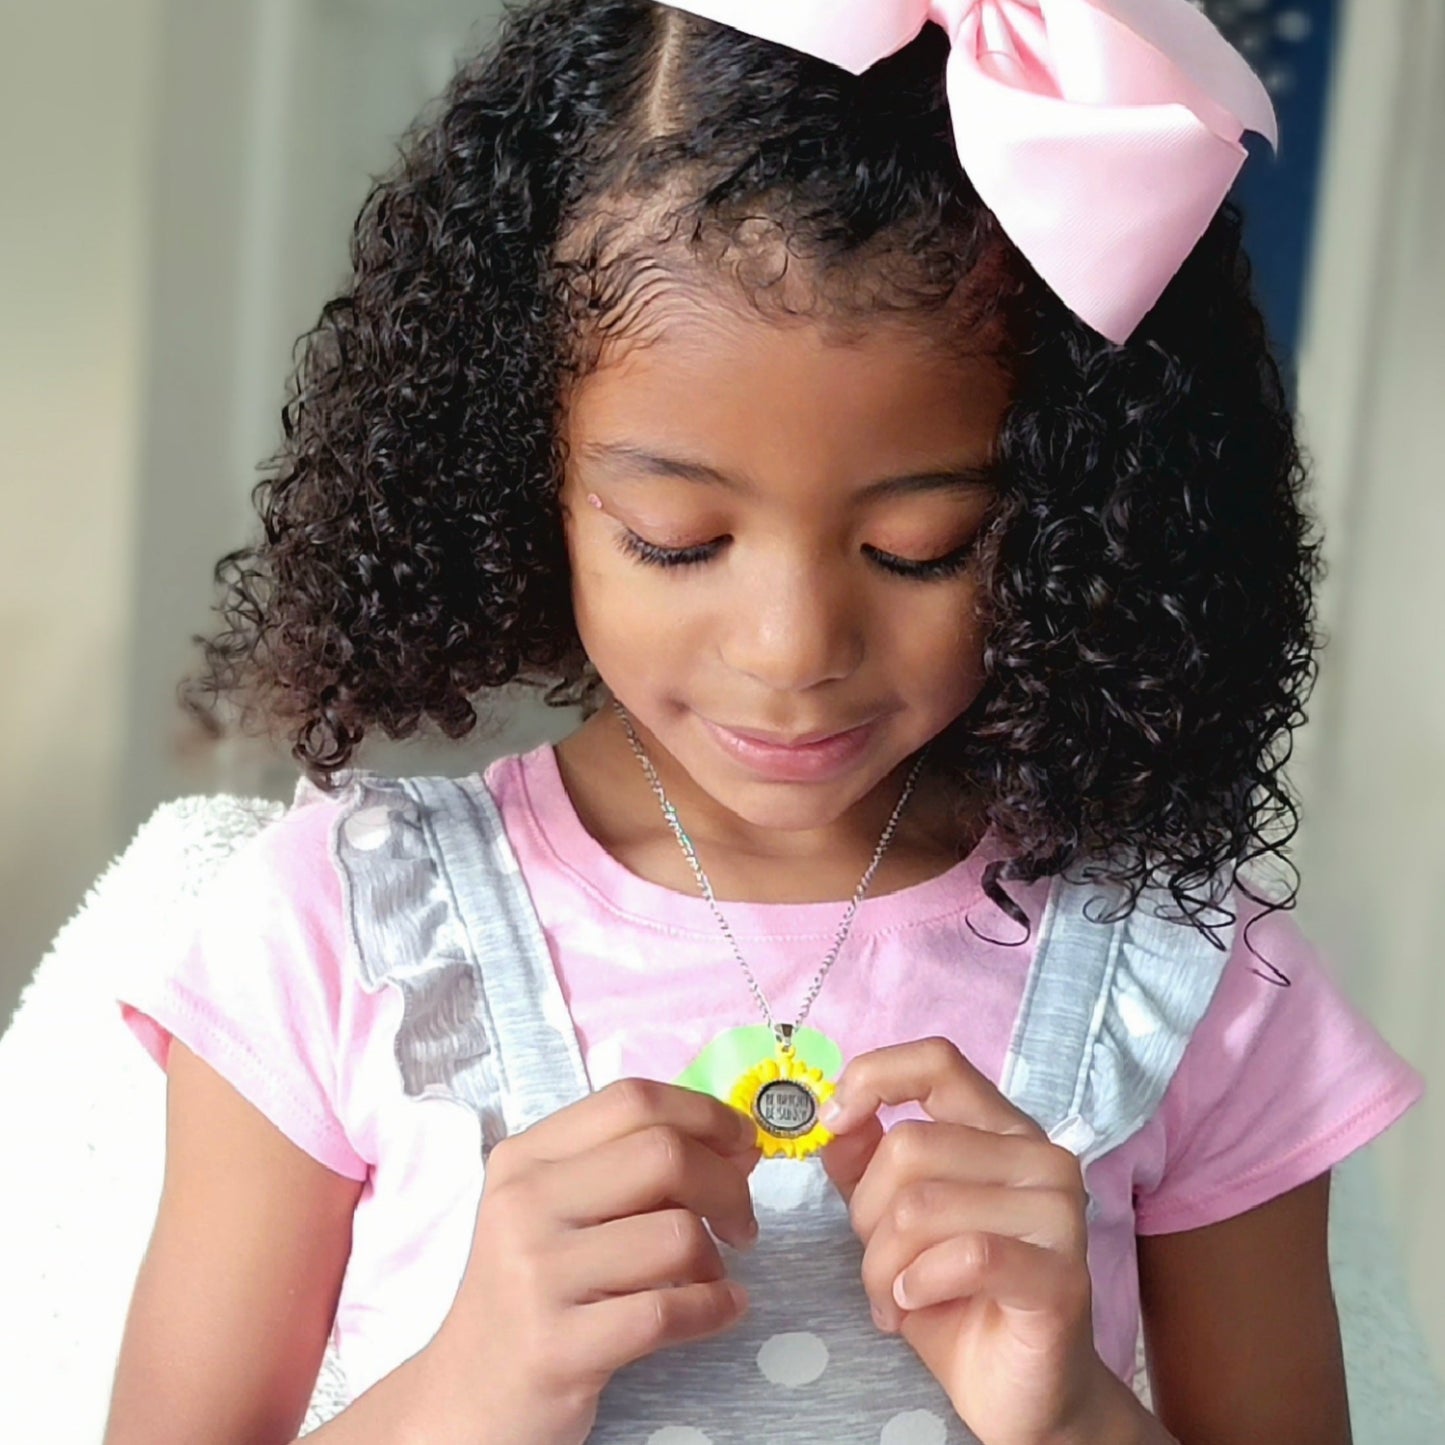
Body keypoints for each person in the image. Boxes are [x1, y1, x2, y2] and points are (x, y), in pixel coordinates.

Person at [103, 1, 1426, 1442]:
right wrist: (470, 1389)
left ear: (1079, 512)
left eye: (923, 546)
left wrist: (1073, 1417)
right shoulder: (338, 929)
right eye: (675, 537)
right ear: (512, 474)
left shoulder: (1191, 978)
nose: (793, 651)